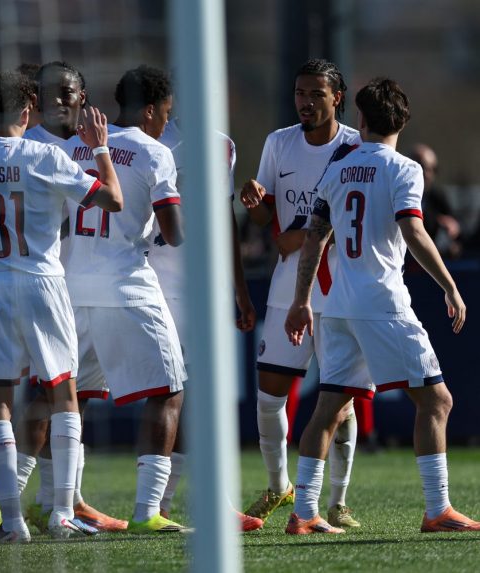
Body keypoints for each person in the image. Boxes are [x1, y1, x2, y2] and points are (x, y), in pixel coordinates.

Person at [0, 70, 123, 542]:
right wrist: (99, 149)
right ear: (27, 111)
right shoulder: (45, 156)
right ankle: (59, 513)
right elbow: (112, 200)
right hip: (41, 282)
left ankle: (11, 522)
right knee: (63, 393)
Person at [284, 76, 479, 535]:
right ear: (402, 122)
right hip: (381, 302)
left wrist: (301, 301)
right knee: (436, 400)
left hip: (337, 305)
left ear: (360, 118)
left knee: (329, 407)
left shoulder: (336, 169)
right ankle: (437, 510)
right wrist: (449, 285)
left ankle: (304, 512)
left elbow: (314, 238)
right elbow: (413, 231)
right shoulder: (404, 169)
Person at [0, 60, 128, 534]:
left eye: (67, 91)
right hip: (40, 285)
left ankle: (65, 498)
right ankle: (9, 504)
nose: (58, 99)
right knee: (38, 396)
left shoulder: (97, 145)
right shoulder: (29, 146)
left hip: (85, 287)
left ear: (83, 95)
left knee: (78, 397)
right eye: (48, 91)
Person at [62, 65, 187, 533]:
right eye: (166, 114)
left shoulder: (75, 146)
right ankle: (147, 511)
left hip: (72, 283)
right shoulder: (154, 151)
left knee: (69, 394)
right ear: (152, 110)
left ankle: (55, 500)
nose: (166, 124)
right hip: (127, 283)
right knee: (169, 390)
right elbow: (172, 235)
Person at [239, 58, 362, 528]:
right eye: (299, 93)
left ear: (337, 97)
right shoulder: (279, 142)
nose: (306, 102)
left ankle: (338, 501)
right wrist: (254, 201)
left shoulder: (356, 146)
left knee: (339, 399)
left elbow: (361, 214)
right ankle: (278, 486)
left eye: (316, 94)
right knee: (269, 397)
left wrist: (311, 236)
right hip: (287, 286)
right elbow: (265, 214)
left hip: (340, 291)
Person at [149, 122, 262, 532]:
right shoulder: (152, 140)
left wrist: (240, 291)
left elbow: (224, 219)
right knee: (168, 395)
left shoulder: (223, 146)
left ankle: (180, 504)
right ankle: (57, 501)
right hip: (154, 282)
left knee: (199, 397)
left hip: (205, 287)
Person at [410, 144, 462, 259]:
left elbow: (455, 227)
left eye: (432, 169)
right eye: (422, 167)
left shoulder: (437, 198)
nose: (427, 174)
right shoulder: (398, 194)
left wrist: (453, 228)